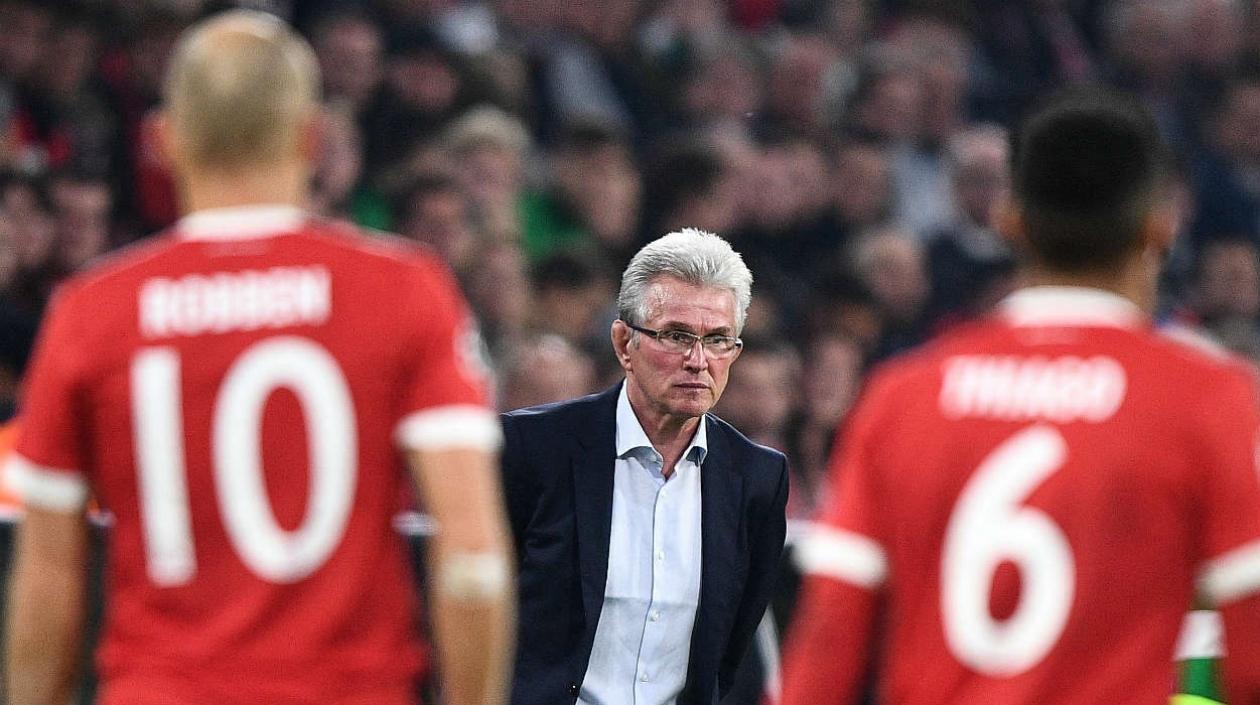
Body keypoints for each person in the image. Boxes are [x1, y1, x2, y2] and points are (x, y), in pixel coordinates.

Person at [2, 12, 514, 705]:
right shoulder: (403, 290)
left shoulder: (92, 310)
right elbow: (473, 559)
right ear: (312, 137)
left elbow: (49, 577)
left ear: (162, 141)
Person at [779, 89, 1260, 705]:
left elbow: (824, 658)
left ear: (1009, 219)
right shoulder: (1207, 398)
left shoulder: (903, 395)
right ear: (1160, 224)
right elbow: (1248, 663)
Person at [500, 228, 789, 705]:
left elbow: (729, 656)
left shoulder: (757, 478)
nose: (698, 361)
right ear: (623, 343)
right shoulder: (532, 449)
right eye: (677, 336)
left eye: (718, 340)